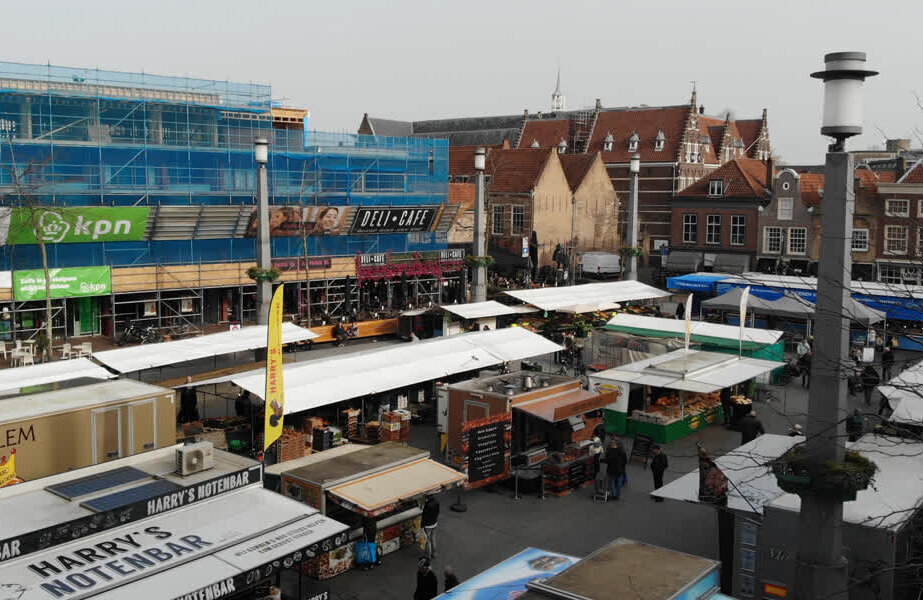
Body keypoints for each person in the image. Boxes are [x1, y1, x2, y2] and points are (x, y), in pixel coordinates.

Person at [421, 495, 439, 560]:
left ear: (427, 498)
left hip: (428, 525)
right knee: (433, 538)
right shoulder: (437, 502)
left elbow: (424, 516)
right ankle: (434, 553)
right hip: (434, 523)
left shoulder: (427, 505)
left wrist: (422, 526)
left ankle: (428, 556)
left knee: (428, 541)